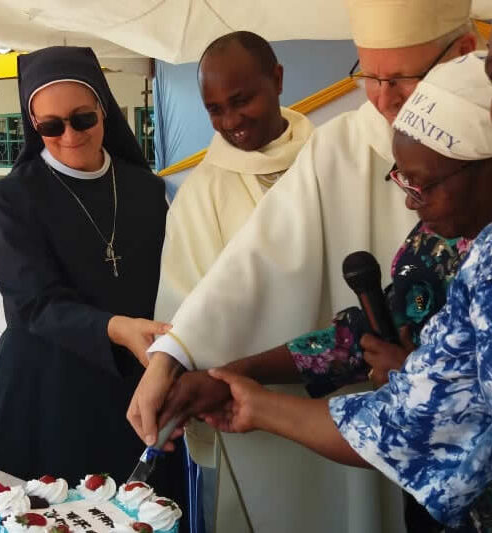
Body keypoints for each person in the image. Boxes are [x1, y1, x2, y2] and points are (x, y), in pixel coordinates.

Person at [128, 1, 479, 531]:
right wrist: (206, 366)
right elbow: (345, 328)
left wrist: (260, 403)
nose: (385, 100)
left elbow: (426, 421)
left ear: (464, 54)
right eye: (369, 76)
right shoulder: (419, 228)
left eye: (403, 77)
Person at [203, 51, 492, 532]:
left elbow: (415, 422)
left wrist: (255, 405)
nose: (408, 201)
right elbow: (366, 334)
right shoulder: (440, 237)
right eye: (402, 179)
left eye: (422, 184)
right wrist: (236, 372)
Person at [0, 46, 186, 514]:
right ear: (35, 128)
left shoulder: (146, 189)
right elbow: (31, 303)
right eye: (51, 127)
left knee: (139, 515)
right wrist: (118, 327)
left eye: (82, 119)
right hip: (46, 385)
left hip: (131, 382)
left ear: (103, 111)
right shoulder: (12, 198)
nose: (70, 136)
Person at [154, 31, 314, 532]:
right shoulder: (200, 193)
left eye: (242, 100)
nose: (231, 122)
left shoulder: (330, 159)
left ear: (279, 79)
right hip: (245, 406)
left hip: (339, 395)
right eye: (215, 110)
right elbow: (186, 309)